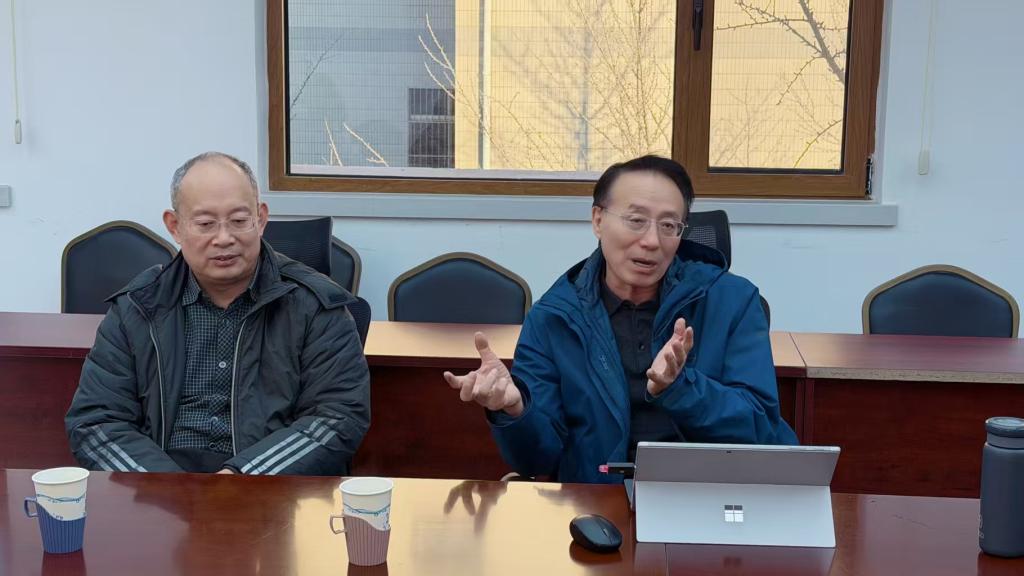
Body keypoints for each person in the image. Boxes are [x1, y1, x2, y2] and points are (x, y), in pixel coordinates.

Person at [444, 155, 797, 483]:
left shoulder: (733, 302)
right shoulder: (554, 318)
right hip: (595, 499)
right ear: (598, 220)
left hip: (706, 495)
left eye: (669, 225)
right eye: (636, 221)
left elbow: (762, 433)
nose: (651, 241)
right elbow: (537, 461)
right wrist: (515, 409)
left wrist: (682, 387)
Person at [65, 152, 370, 475]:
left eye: (239, 221)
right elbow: (96, 422)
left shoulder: (315, 306)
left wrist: (240, 480)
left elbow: (337, 417)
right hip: (158, 484)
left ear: (261, 219)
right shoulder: (139, 306)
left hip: (269, 483)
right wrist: (169, 490)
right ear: (175, 226)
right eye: (205, 224)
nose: (224, 238)